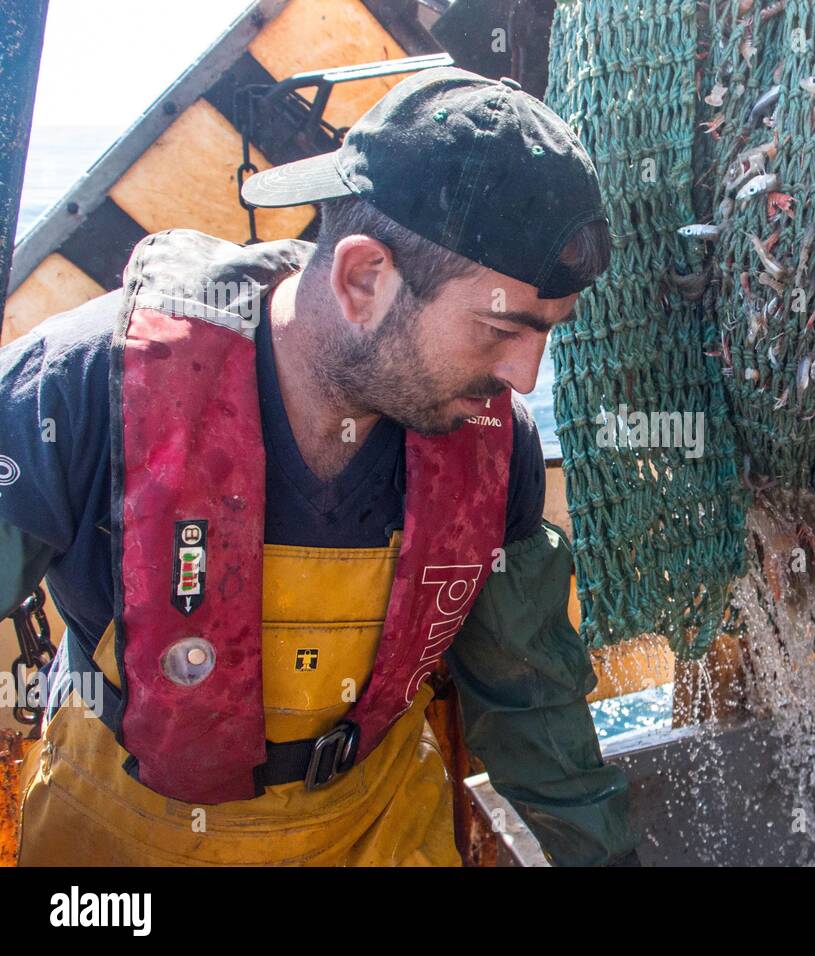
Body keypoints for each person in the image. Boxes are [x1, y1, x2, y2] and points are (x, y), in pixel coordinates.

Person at [0, 66, 641, 866]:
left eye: (551, 331)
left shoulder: (494, 446)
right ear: (363, 277)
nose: (525, 378)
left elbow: (531, 700)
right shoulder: (81, 389)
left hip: (377, 826)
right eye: (499, 329)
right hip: (123, 838)